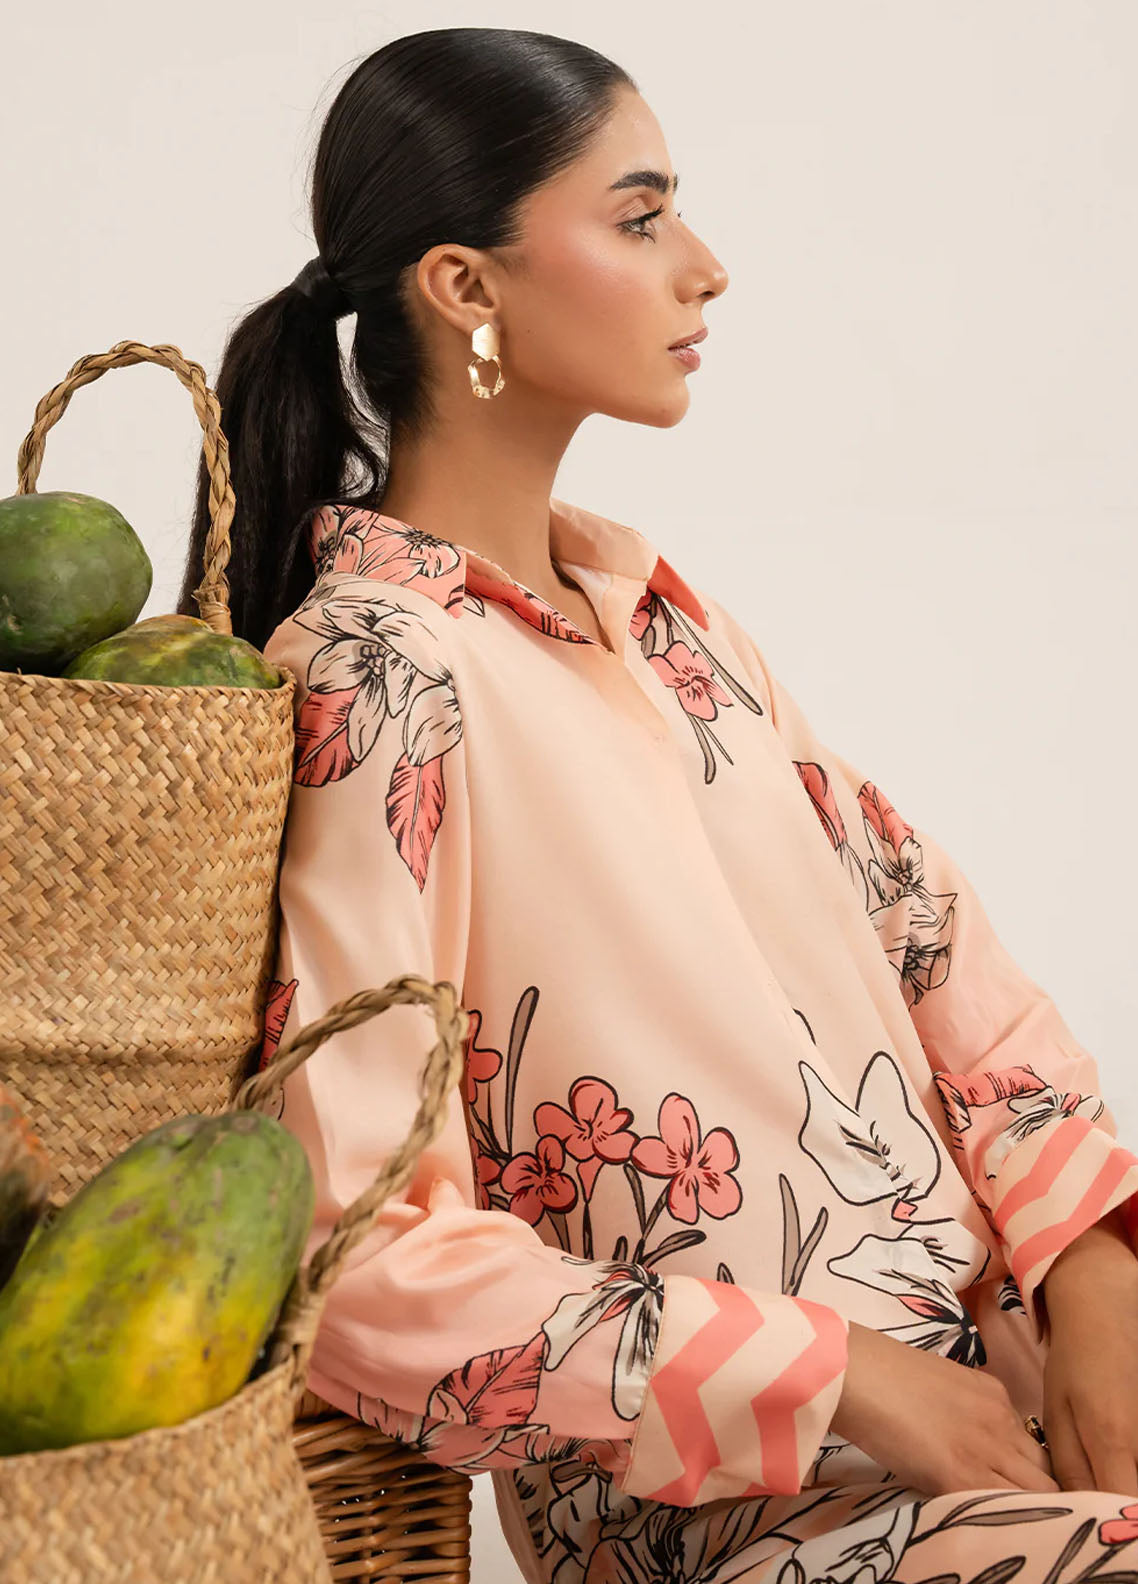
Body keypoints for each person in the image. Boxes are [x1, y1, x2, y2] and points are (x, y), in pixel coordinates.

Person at [179, 28, 1138, 1584]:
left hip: (1030, 1437)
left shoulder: (668, 621)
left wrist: (1092, 1274)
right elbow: (353, 1251)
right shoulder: (380, 677)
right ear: (464, 287)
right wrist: (835, 1375)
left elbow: (939, 955)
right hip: (758, 1518)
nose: (704, 266)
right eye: (639, 219)